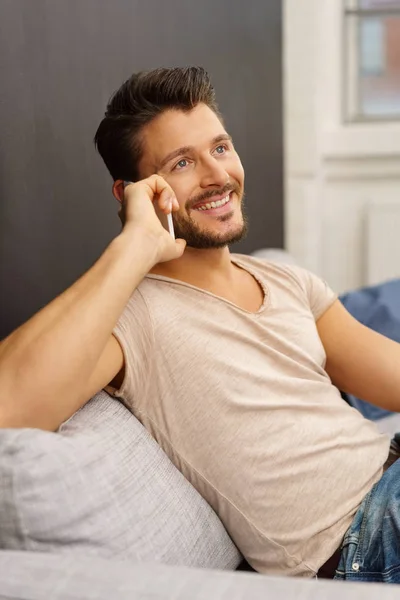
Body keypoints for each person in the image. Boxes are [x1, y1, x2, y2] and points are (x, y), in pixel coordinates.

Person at [1, 67, 400, 582]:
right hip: (361, 538)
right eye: (183, 162)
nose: (217, 175)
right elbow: (9, 404)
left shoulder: (288, 281)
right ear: (132, 193)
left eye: (220, 147)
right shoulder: (131, 315)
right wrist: (135, 245)